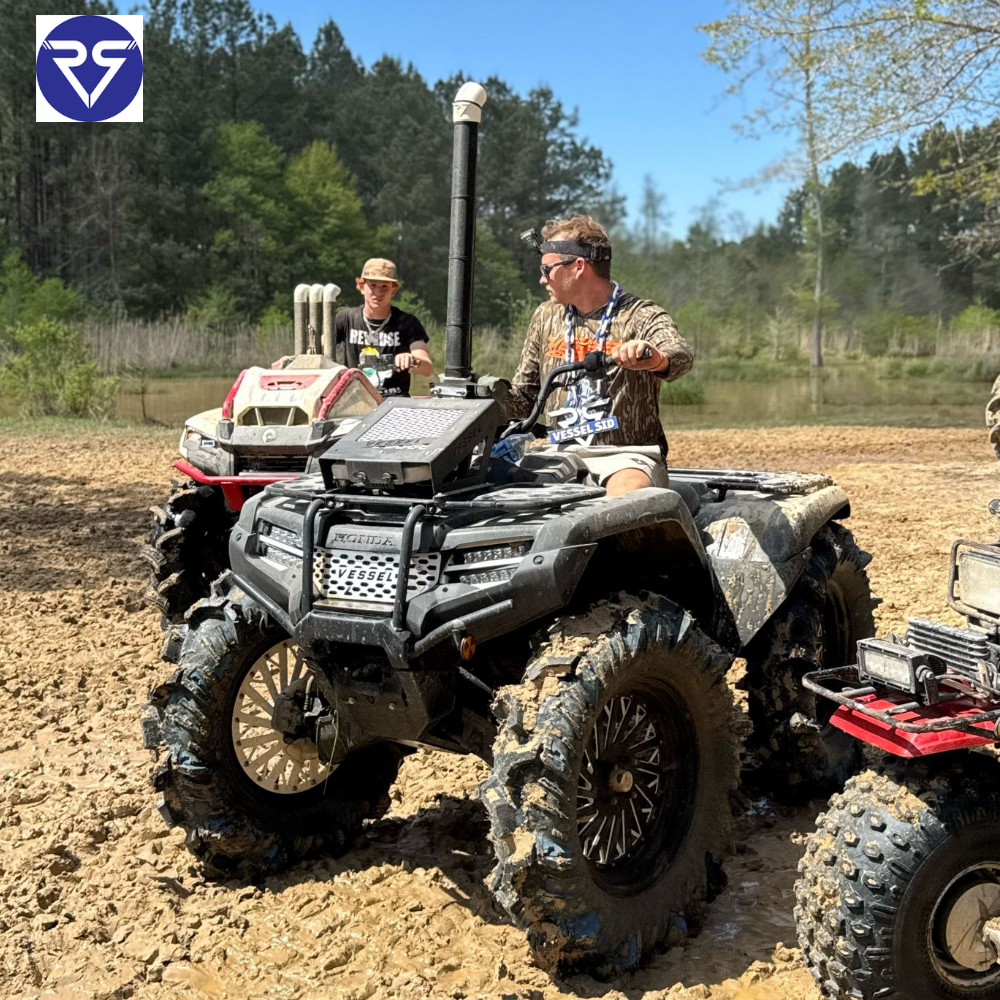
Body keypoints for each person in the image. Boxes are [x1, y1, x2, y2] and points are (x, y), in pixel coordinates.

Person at [505, 216, 693, 496]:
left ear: (578, 267)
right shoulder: (545, 316)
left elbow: (681, 356)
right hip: (558, 452)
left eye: (547, 269)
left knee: (622, 498)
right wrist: (482, 395)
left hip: (626, 457)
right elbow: (524, 398)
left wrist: (654, 358)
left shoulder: (640, 314)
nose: (542, 278)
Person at [333, 258, 433, 396]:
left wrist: (411, 360)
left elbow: (427, 368)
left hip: (395, 402)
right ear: (361, 287)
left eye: (384, 286)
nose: (378, 292)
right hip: (355, 400)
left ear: (393, 290)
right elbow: (319, 354)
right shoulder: (345, 319)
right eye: (372, 285)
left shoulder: (407, 322)